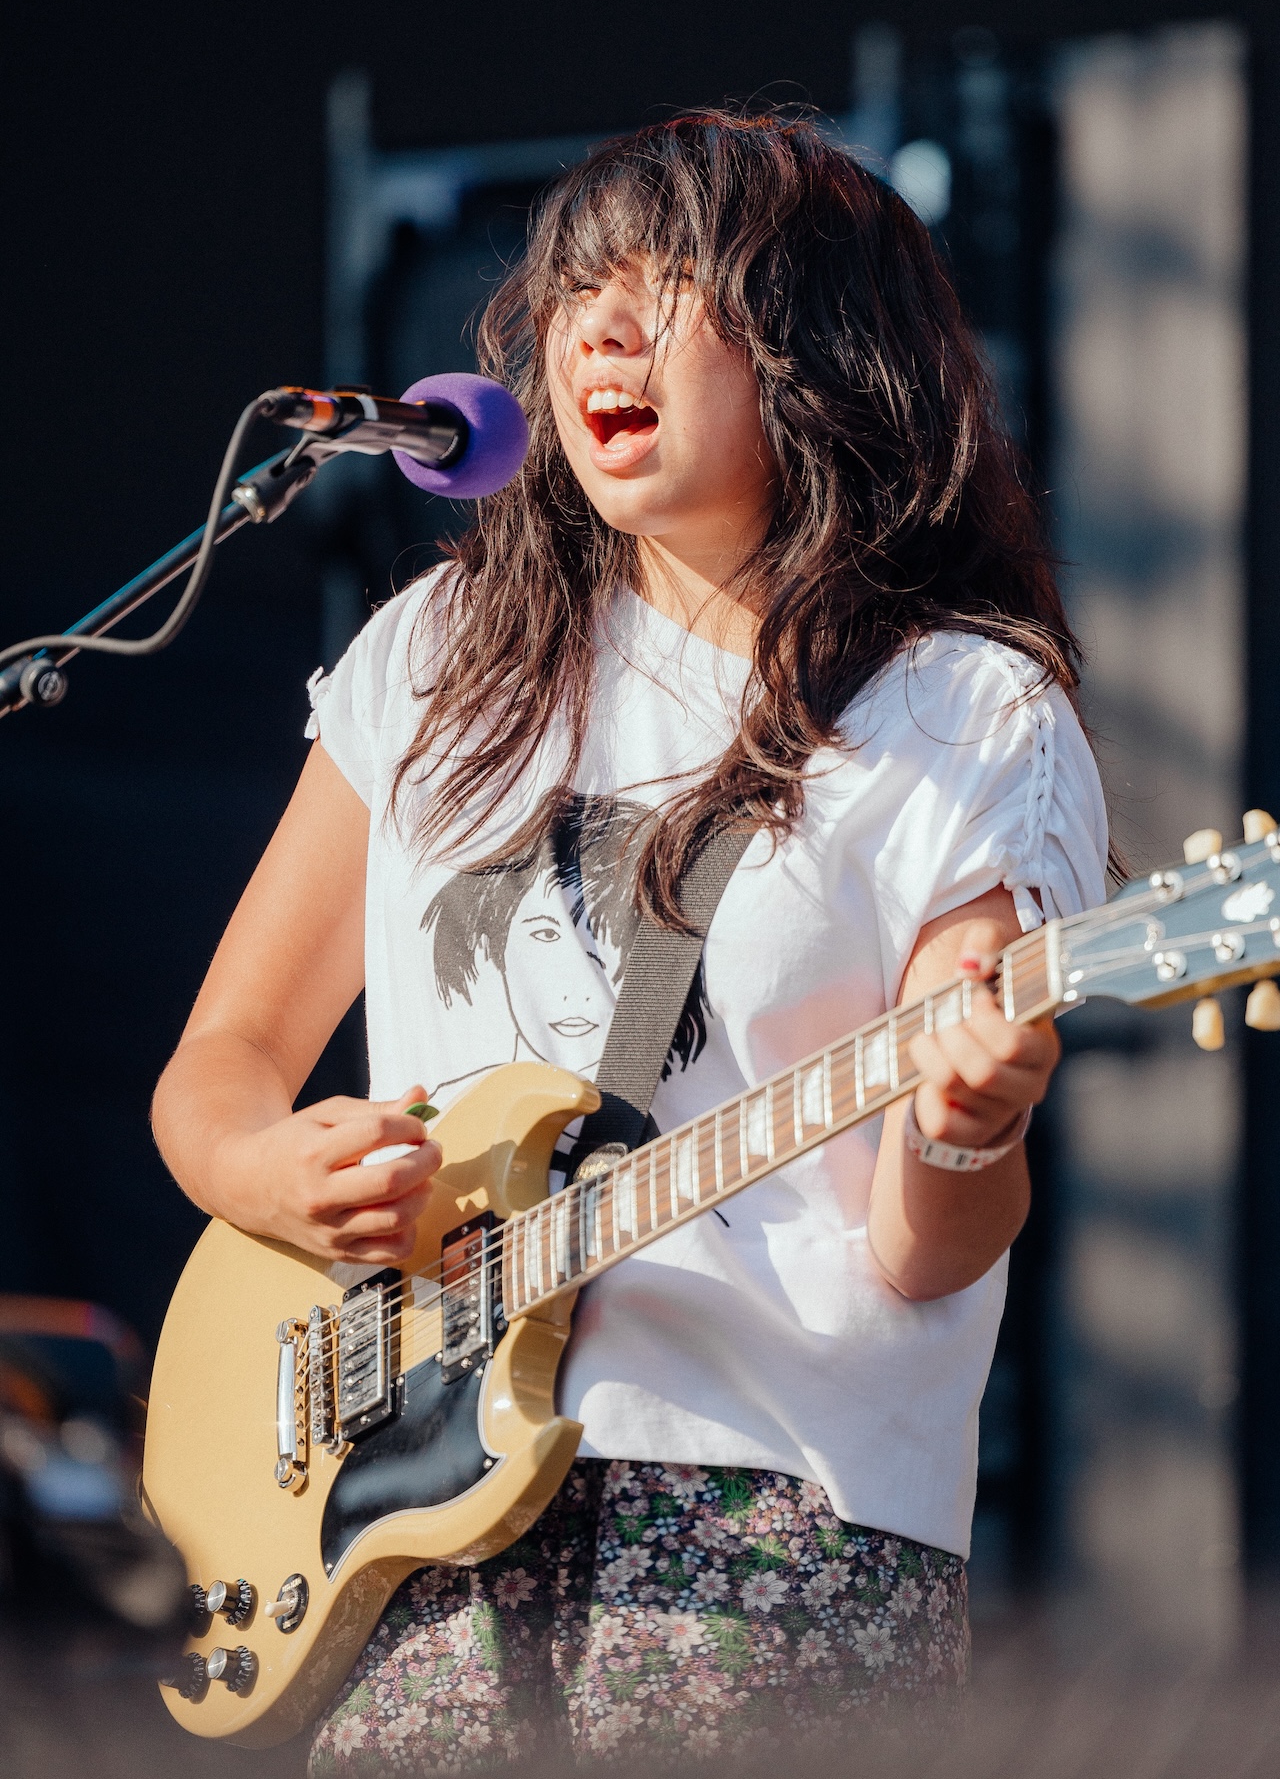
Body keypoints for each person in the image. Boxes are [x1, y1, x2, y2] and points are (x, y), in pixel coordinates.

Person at [151, 110, 1108, 1769]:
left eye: (671, 288)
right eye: (575, 290)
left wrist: (968, 1121)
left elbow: (922, 1257)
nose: (598, 327)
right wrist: (266, 1171)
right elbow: (221, 1063)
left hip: (777, 1535)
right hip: (403, 1528)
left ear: (818, 347)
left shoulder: (962, 710)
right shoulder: (439, 654)